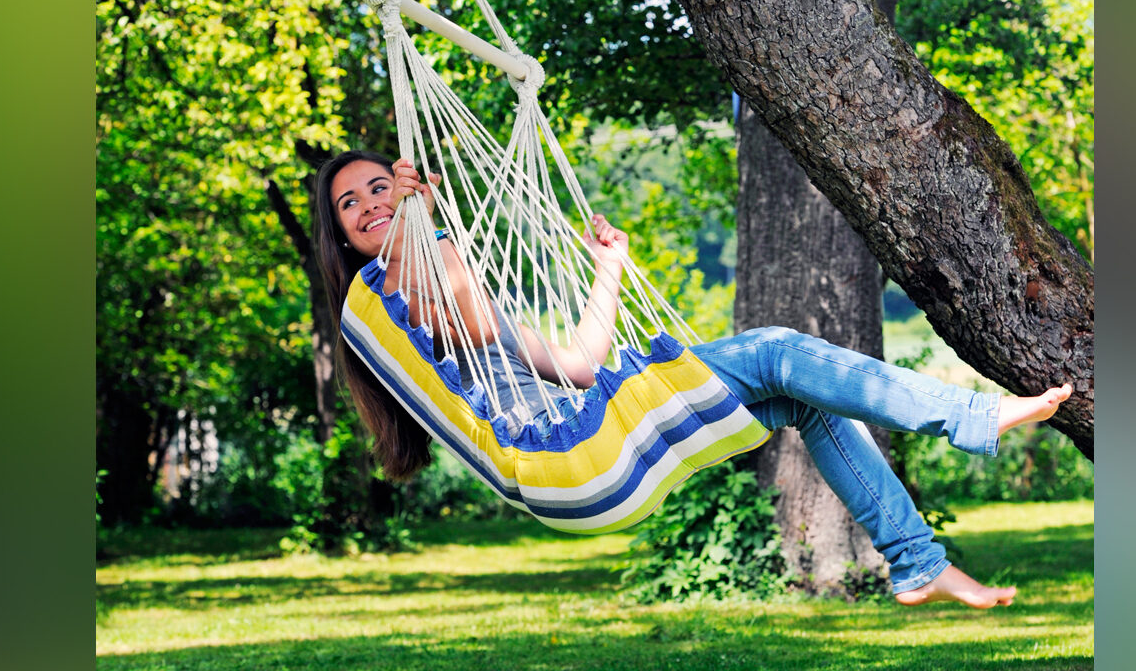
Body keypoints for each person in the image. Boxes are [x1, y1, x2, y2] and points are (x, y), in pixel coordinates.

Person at [314, 150, 1073, 609]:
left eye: (380, 188)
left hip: (584, 465)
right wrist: (430, 224)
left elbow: (578, 363)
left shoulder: (426, 283)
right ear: (343, 236)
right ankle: (973, 418)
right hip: (563, 460)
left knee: (798, 401)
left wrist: (608, 271)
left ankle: (917, 566)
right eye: (352, 204)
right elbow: (465, 315)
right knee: (776, 349)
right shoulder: (381, 300)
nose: (372, 205)